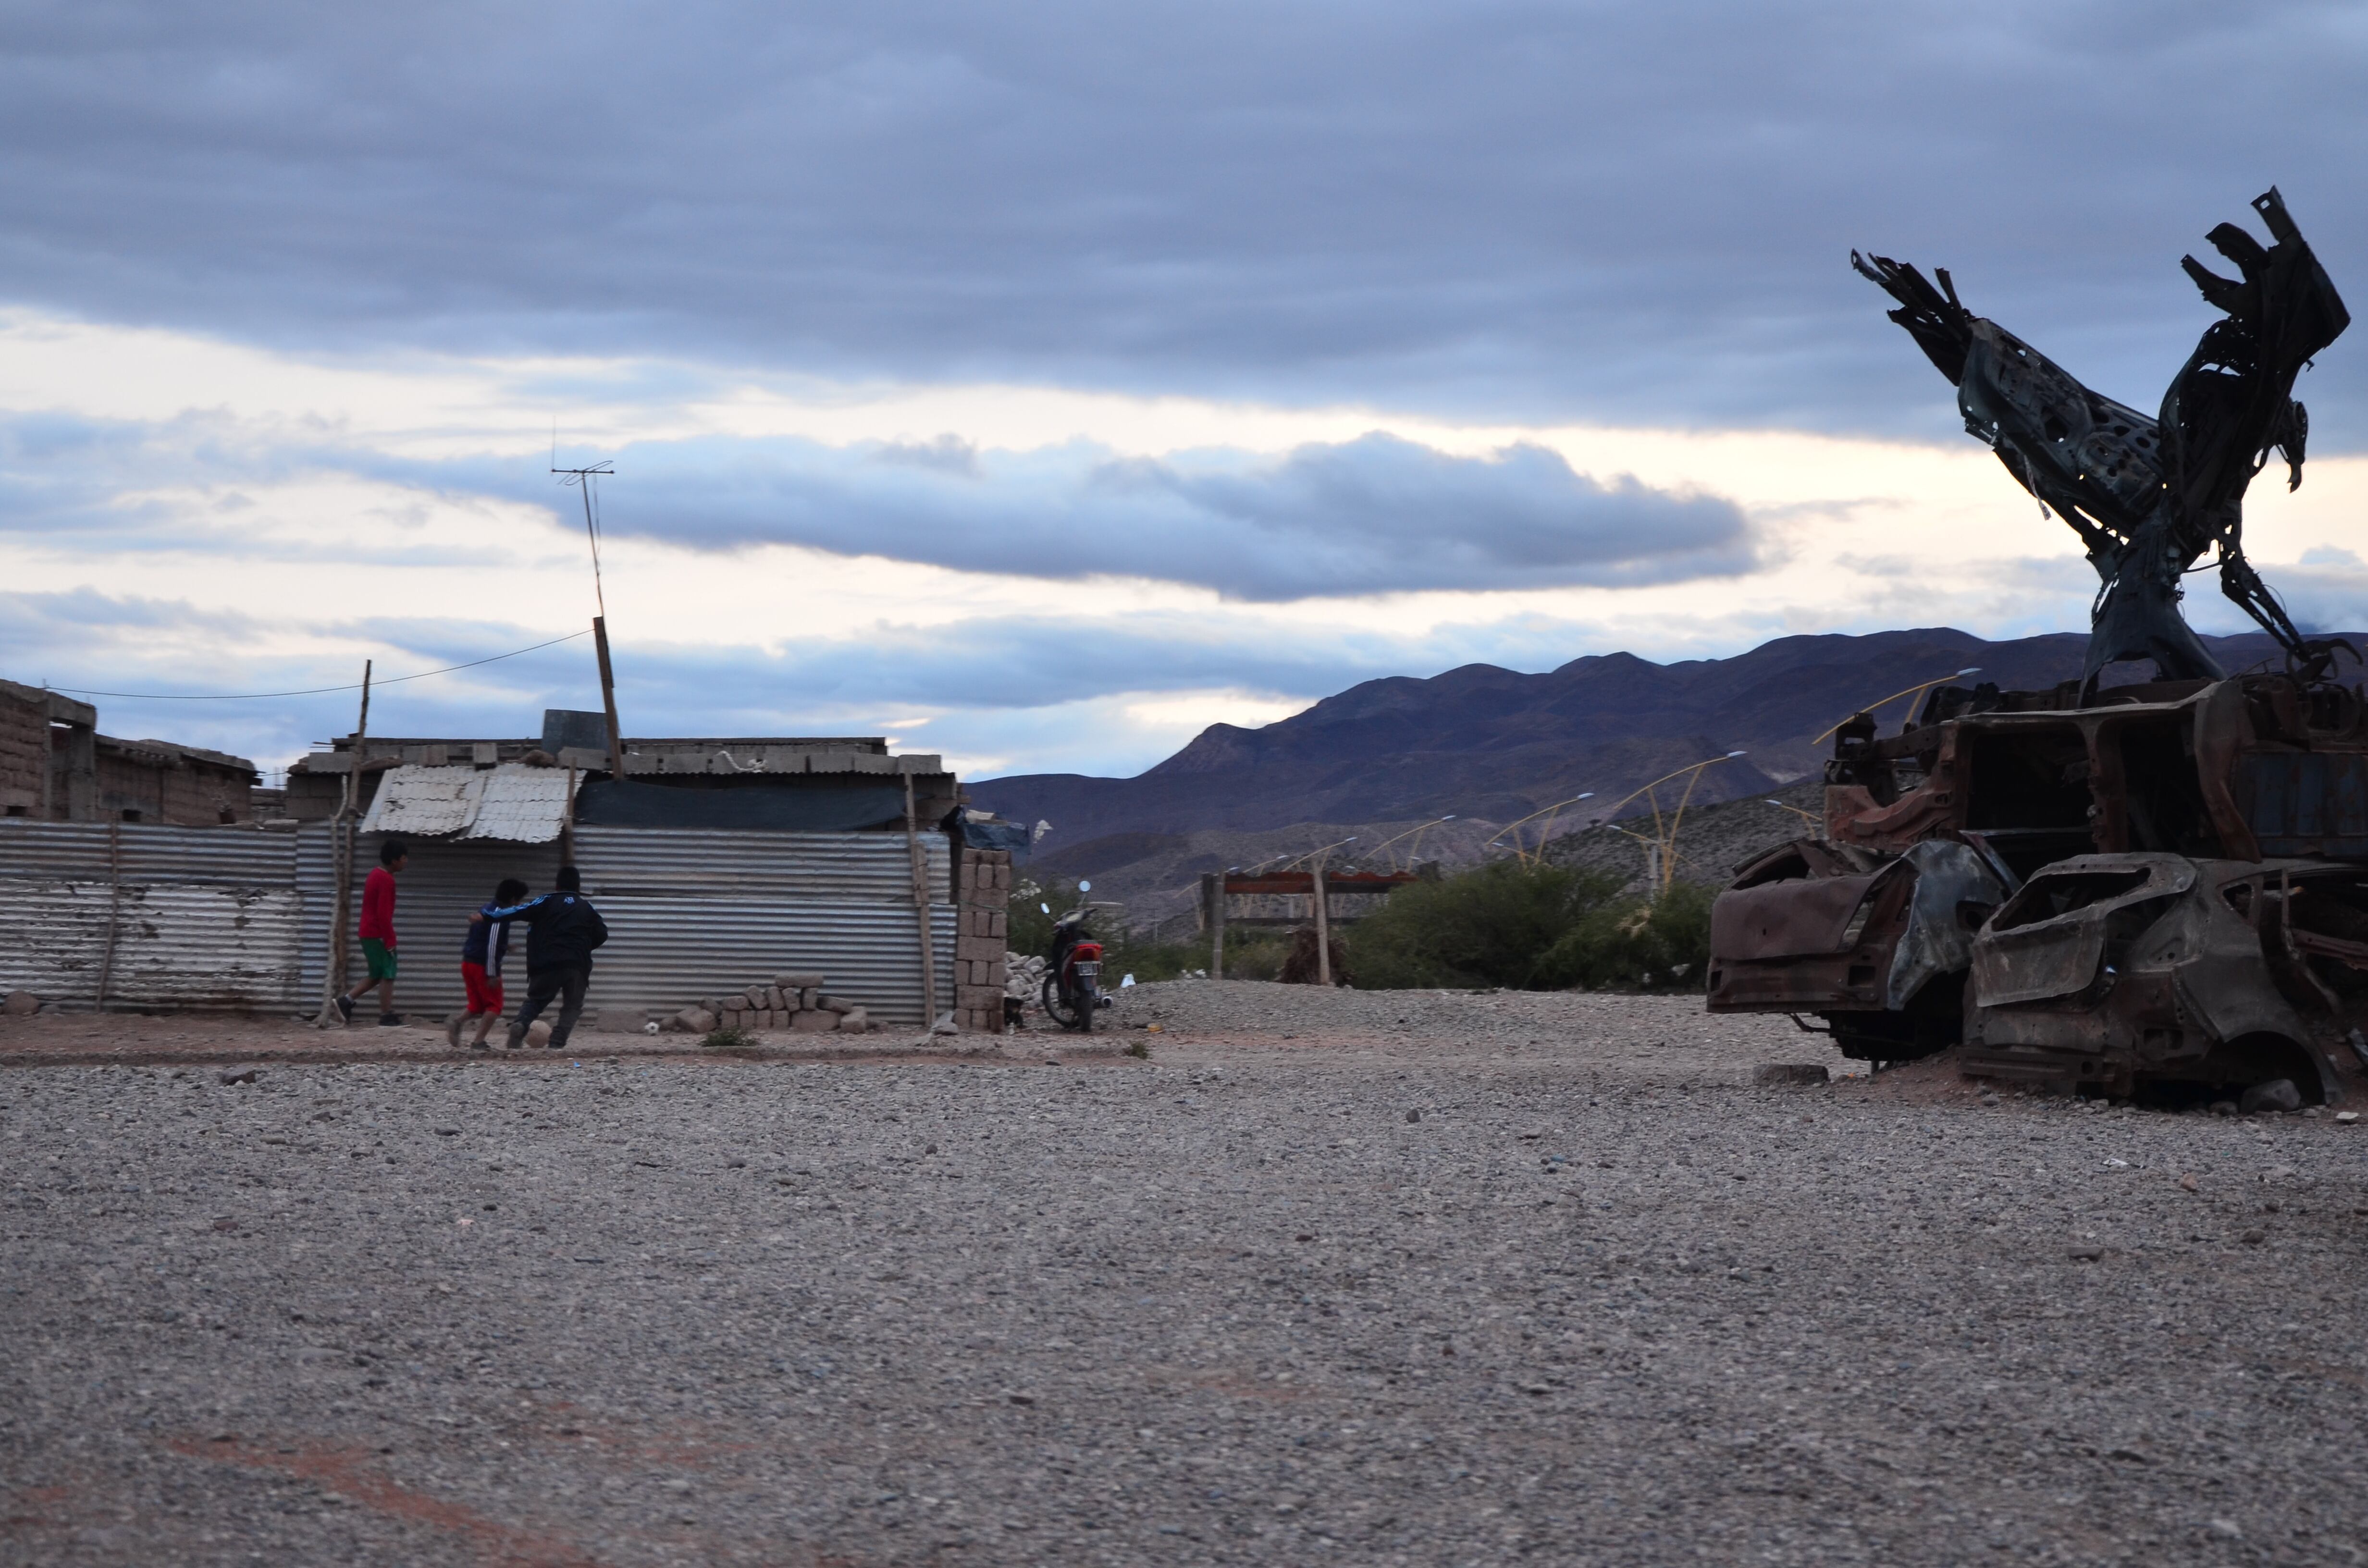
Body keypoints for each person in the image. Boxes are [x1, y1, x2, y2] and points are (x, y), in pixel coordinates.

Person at [479, 867, 609, 1051]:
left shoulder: (545, 901)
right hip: (577, 966)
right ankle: (556, 1043)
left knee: (536, 1000)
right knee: (572, 1006)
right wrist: (583, 949)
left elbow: (517, 911)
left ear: (557, 885)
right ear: (578, 887)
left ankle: (522, 1024)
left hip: (546, 963)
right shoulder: (586, 907)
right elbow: (602, 934)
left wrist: (488, 916)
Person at [446, 877, 530, 1050]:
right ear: (513, 899)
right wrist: (492, 974)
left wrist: (505, 946)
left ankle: (457, 1023)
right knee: (495, 1005)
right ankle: (478, 1042)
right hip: (483, 966)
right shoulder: (500, 916)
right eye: (520, 900)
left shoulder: (486, 909)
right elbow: (491, 944)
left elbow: (483, 938)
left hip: (469, 963)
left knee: (477, 1005)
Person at [336, 838, 409, 1026]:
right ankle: (386, 1015)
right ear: (394, 861)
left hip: (368, 932)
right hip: (377, 934)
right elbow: (383, 914)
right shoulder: (386, 880)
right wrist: (390, 939)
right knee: (388, 972)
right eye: (403, 858)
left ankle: (346, 1002)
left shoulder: (375, 874)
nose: (406, 861)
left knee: (377, 973)